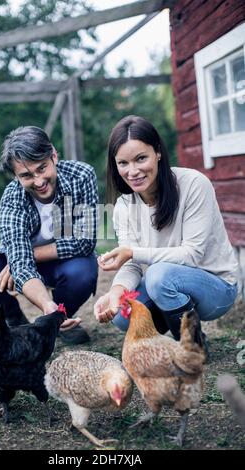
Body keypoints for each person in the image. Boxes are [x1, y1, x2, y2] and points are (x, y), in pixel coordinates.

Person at [94, 115, 238, 356]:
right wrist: (116, 292)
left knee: (159, 276)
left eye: (141, 158)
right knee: (122, 314)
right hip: (169, 283)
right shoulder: (123, 206)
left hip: (217, 286)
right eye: (123, 163)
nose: (133, 171)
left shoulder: (193, 184)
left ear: (158, 152)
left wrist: (133, 252)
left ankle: (193, 349)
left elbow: (192, 254)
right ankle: (180, 333)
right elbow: (132, 265)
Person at [0, 126, 98, 345]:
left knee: (82, 272)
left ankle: (63, 316)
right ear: (16, 176)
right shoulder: (12, 199)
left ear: (53, 155)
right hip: (21, 256)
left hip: (64, 260)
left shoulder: (81, 176)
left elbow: (84, 241)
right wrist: (45, 305)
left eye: (42, 168)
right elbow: (21, 265)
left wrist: (24, 258)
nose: (39, 181)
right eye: (26, 175)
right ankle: (14, 317)